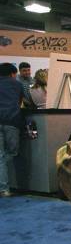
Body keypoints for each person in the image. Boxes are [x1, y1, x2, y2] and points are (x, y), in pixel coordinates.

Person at [0, 63, 23, 198]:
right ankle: (4, 188)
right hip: (11, 121)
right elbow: (22, 101)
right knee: (13, 152)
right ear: (12, 74)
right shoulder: (17, 84)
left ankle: (4, 189)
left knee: (0, 156)